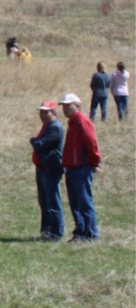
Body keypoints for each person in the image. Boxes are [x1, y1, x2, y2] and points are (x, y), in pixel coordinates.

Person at [59, 93, 102, 242]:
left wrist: (95, 162)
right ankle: (80, 232)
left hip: (81, 168)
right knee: (75, 203)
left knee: (84, 202)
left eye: (68, 105)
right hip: (72, 168)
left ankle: (91, 234)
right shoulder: (73, 123)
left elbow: (91, 142)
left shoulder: (82, 121)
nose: (65, 109)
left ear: (77, 106)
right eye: (64, 106)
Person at [30, 101, 65, 241]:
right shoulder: (47, 126)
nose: (43, 115)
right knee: (44, 201)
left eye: (46, 112)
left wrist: (33, 141)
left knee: (53, 202)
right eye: (41, 112)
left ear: (54, 113)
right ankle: (46, 231)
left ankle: (56, 233)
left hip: (50, 169)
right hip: (42, 168)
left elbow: (40, 144)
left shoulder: (55, 127)